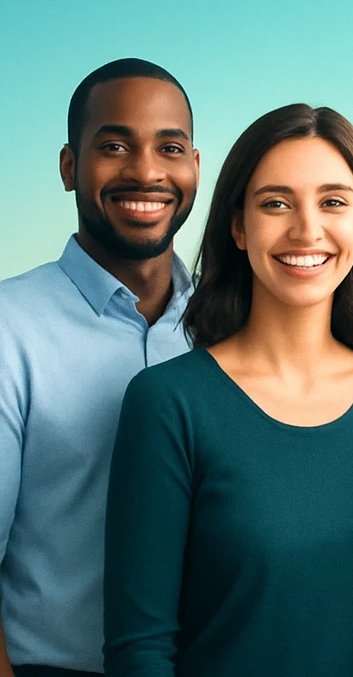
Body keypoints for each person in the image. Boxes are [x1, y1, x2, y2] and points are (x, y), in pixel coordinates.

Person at [103, 104, 353, 677]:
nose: (306, 229)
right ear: (238, 226)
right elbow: (140, 650)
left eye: (333, 202)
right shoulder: (168, 404)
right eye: (276, 203)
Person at [0, 59, 200, 677]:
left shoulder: (236, 329)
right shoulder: (10, 328)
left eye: (169, 148)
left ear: (195, 167)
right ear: (69, 167)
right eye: (114, 146)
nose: (145, 171)